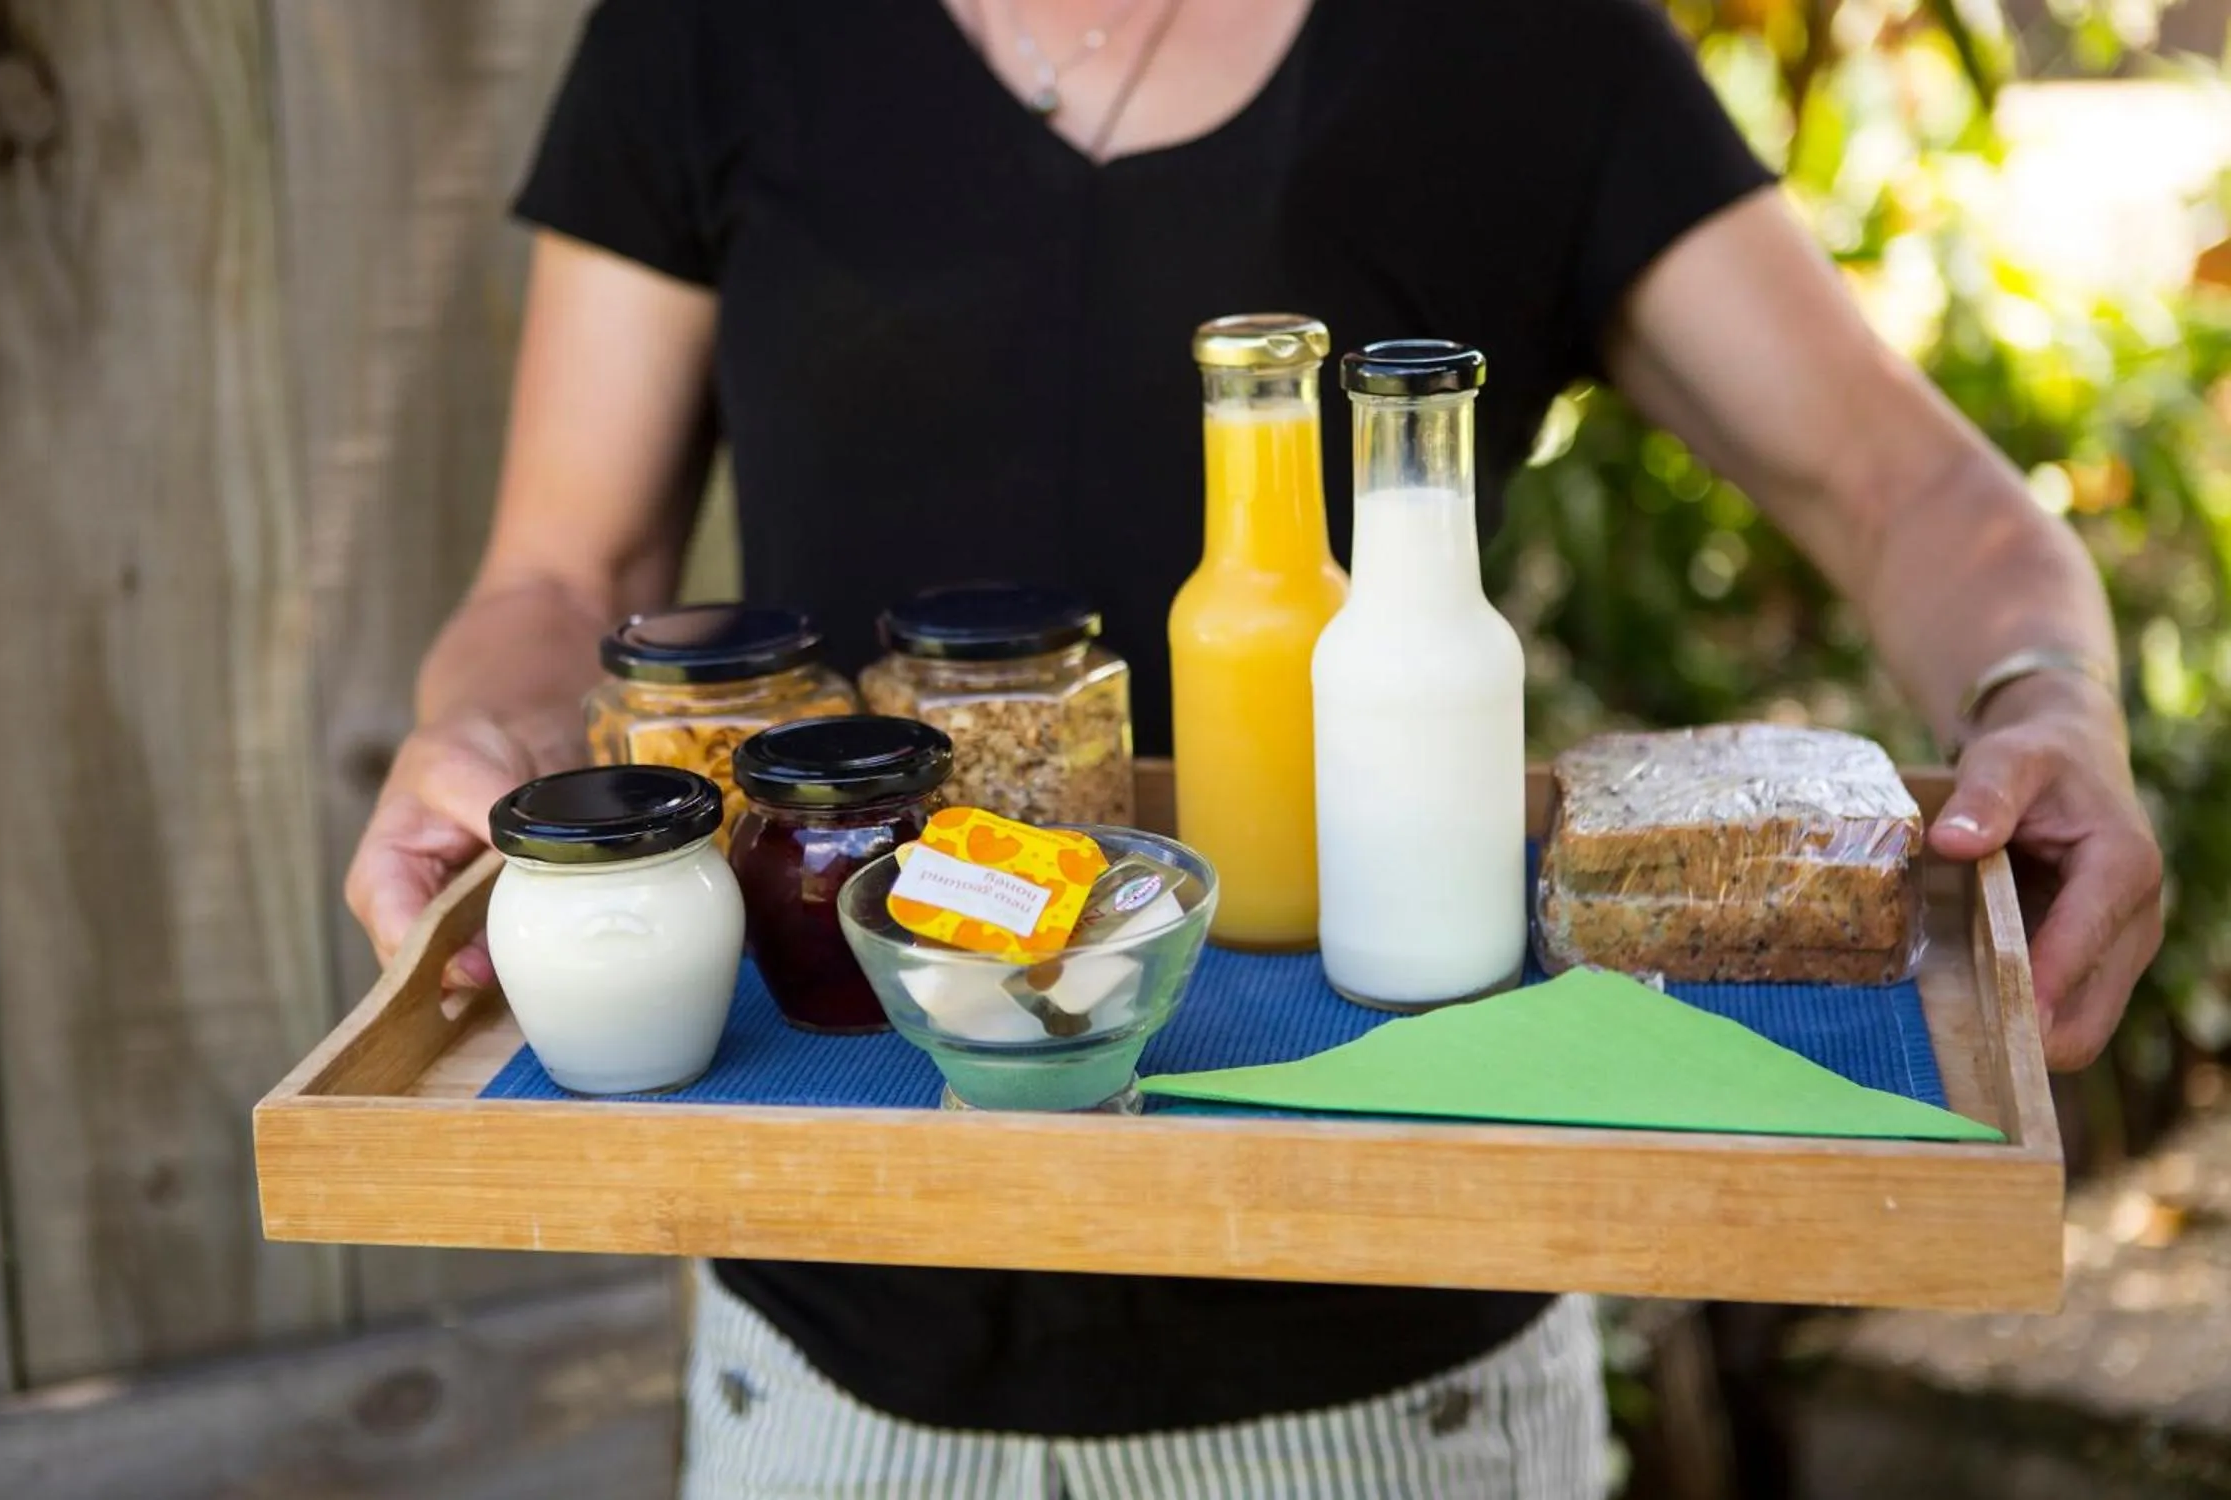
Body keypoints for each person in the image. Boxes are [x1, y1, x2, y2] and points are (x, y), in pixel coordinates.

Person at [343, 1, 2164, 1494]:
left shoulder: (1524, 45)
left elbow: (1904, 483)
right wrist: (480, 736)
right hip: (829, 1382)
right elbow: (564, 572)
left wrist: (2042, 697)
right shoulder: (711, 34)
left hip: (1402, 1401)